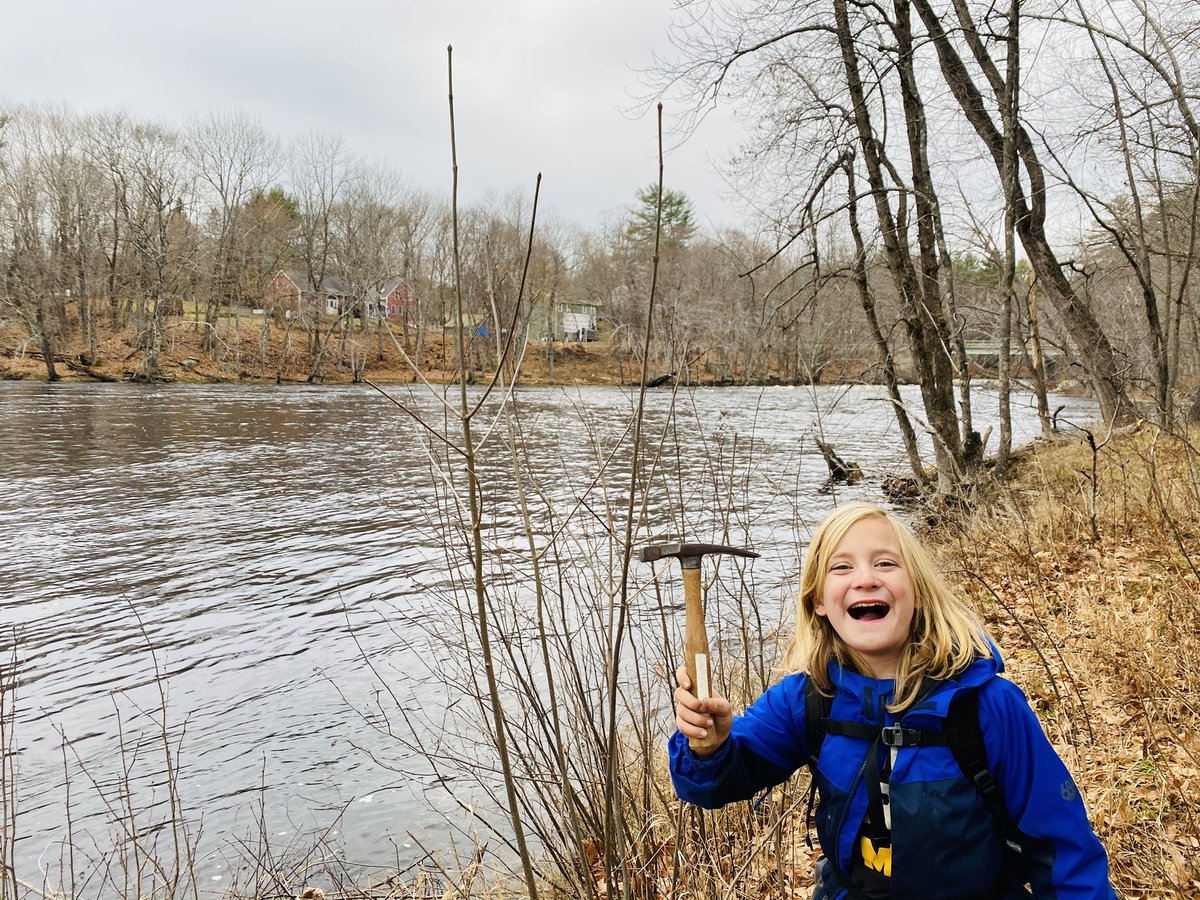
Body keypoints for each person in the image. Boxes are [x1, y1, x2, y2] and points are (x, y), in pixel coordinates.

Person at [669, 502, 1116, 899]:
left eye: (885, 563)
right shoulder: (806, 698)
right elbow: (713, 785)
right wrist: (707, 747)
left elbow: (1063, 849)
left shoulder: (987, 706)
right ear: (818, 602)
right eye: (841, 568)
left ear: (917, 591)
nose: (865, 578)